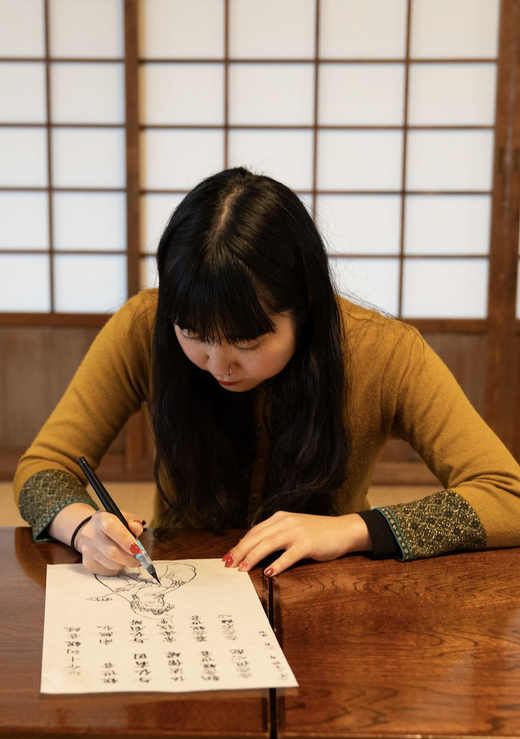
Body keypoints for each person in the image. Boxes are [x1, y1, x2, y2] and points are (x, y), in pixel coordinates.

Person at [13, 167, 520, 578]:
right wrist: (83, 529)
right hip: (181, 586)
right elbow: (42, 467)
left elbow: (507, 494)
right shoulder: (143, 326)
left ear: (305, 306)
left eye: (248, 341)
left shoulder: (385, 353)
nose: (218, 363)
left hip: (332, 592)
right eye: (194, 334)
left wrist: (350, 530)